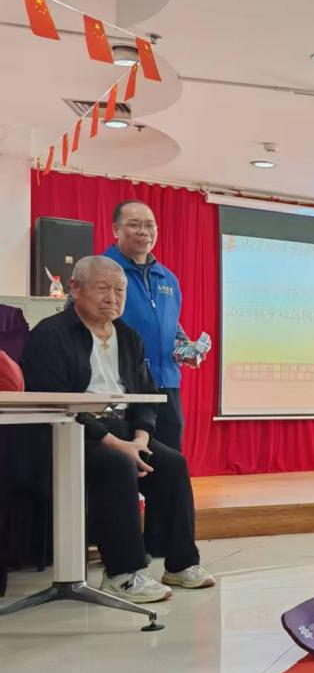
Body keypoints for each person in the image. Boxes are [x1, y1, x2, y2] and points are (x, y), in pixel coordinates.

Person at [20, 256, 212, 602]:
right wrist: (115, 443)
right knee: (116, 463)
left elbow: (146, 397)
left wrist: (139, 438)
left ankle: (181, 563)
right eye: (102, 288)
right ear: (75, 289)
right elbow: (54, 401)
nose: (112, 297)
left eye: (119, 290)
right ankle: (123, 573)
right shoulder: (51, 334)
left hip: (122, 429)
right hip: (68, 433)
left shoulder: (128, 336)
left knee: (172, 463)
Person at [102, 201, 199, 451]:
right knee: (126, 461)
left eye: (149, 225)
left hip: (166, 385)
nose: (144, 232)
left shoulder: (167, 277)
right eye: (134, 225)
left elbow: (169, 323)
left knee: (169, 461)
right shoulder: (101, 270)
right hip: (120, 384)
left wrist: (185, 346)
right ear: (116, 229)